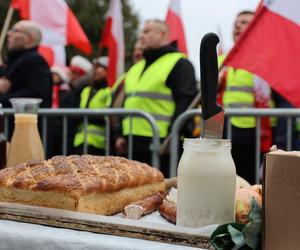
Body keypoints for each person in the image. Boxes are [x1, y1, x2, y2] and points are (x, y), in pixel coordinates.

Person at [115, 19, 197, 177]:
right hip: (131, 142)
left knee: (161, 195)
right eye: (141, 31)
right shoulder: (135, 68)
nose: (141, 36)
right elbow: (126, 103)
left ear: (162, 34)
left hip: (161, 144)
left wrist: (171, 138)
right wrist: (118, 134)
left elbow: (185, 103)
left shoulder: (179, 63)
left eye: (147, 31)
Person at [218, 11, 273, 184]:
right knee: (226, 176)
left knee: (248, 178)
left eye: (244, 22)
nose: (238, 26)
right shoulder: (223, 58)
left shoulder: (266, 57)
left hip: (253, 129)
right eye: (236, 23)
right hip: (226, 126)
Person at [0, 20, 52, 107]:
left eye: (15, 31)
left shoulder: (35, 61)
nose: (9, 34)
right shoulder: (11, 61)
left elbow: (35, 95)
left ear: (29, 39)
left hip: (25, 119)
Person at [73, 56, 112, 155]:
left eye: (100, 67)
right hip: (80, 142)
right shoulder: (86, 90)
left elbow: (108, 117)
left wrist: (86, 116)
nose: (95, 71)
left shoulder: (109, 91)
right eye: (94, 67)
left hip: (99, 144)